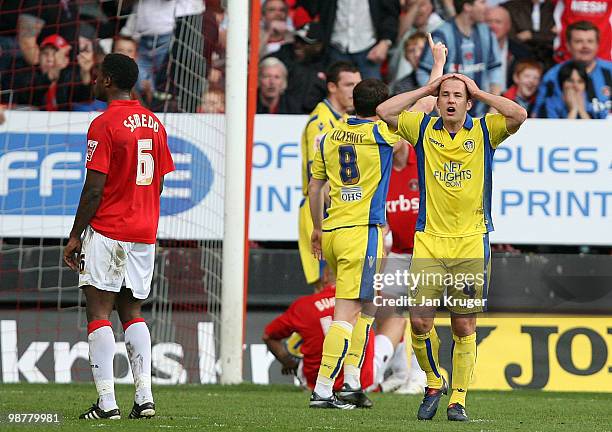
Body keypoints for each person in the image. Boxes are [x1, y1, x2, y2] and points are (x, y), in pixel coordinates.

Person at [377, 72, 527, 421]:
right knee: (419, 322)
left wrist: (479, 91)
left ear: (466, 102)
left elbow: (518, 115)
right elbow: (385, 110)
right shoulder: (422, 129)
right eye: (445, 94)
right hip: (429, 240)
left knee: (463, 327)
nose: (450, 100)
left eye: (457, 95)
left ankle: (458, 398)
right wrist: (426, 89)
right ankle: (433, 383)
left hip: (471, 242)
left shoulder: (484, 130)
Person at [63, 53, 175, 420]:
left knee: (98, 311)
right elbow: (158, 181)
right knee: (132, 311)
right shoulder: (155, 123)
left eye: (98, 76)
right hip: (144, 231)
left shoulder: (104, 123)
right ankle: (144, 398)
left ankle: (107, 402)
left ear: (108, 80)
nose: (94, 81)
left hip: (109, 227)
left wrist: (76, 234)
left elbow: (94, 189)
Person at [308, 78, 408, 409]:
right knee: (346, 311)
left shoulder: (329, 136)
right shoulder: (382, 134)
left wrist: (317, 229)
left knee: (367, 307)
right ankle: (323, 389)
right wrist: (437, 68)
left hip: (334, 230)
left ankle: (351, 382)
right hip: (361, 232)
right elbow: (419, 109)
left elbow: (314, 187)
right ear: (381, 107)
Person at [298, 61, 361, 290]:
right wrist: (329, 222)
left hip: (338, 210)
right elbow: (320, 181)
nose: (355, 91)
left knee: (343, 286)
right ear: (332, 87)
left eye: (358, 84)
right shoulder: (321, 123)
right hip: (321, 211)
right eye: (349, 84)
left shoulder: (344, 119)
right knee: (327, 288)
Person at [262, 280, 376, 392]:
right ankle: (362, 384)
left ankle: (323, 389)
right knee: (383, 327)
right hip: (362, 381)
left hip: (315, 381)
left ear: (325, 277)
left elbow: (268, 335)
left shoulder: (304, 305)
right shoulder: (363, 298)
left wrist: (287, 360)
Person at [416, 0, 503, 116]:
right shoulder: (441, 34)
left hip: (480, 115)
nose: (486, 7)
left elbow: (495, 70)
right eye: (482, 2)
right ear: (467, 6)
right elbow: (423, 72)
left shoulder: (486, 32)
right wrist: (439, 110)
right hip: (445, 118)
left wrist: (493, 110)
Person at [300, 0, 400, 79]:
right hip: (335, 47)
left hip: (369, 48)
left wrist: (385, 41)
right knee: (336, 99)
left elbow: (391, 13)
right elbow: (311, 7)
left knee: (374, 98)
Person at [532, 21, 612, 119]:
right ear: (568, 46)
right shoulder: (552, 77)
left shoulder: (610, 72)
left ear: (597, 45)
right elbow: (537, 117)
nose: (585, 46)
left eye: (590, 41)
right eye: (578, 41)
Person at [268, 22, 328, 113]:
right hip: (283, 114)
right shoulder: (282, 55)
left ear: (318, 46)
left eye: (305, 42)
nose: (298, 45)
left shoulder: (329, 65)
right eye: (297, 39)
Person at [485, 6, 531, 91]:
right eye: (488, 22)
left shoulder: (521, 52)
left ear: (508, 26)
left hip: (509, 100)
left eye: (498, 22)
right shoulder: (473, 49)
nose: (492, 26)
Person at [502, 0, 555, 70]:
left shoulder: (555, 7)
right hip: (520, 58)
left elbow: (557, 36)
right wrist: (544, 35)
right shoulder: (509, 7)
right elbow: (511, 38)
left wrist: (531, 35)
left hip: (550, 58)